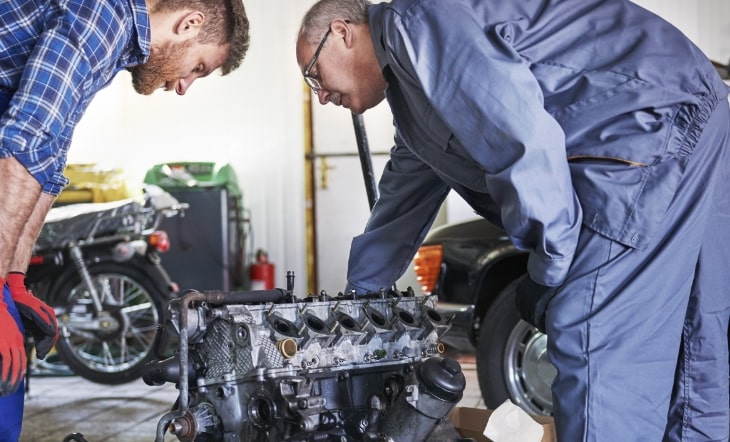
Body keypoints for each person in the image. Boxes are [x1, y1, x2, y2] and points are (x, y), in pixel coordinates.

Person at [296, 0, 730, 440]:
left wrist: (550, 268)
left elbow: (522, 140)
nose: (321, 95)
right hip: (691, 106)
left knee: (593, 344)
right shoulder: (415, 92)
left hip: (644, 125)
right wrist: (357, 303)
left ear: (343, 32)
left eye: (314, 73)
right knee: (698, 356)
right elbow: (401, 204)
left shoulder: (420, 25)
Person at [0, 0, 250, 439]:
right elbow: (25, 141)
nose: (184, 86)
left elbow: (48, 161)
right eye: (199, 68)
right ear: (189, 22)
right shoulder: (104, 14)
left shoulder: (113, 47)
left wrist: (15, 278)